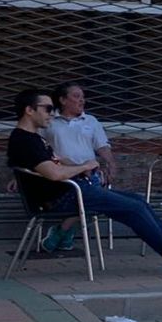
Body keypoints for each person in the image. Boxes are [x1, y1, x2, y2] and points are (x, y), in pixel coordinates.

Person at [7, 89, 162, 274]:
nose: (51, 114)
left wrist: (84, 165)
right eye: (47, 108)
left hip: (72, 190)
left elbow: (54, 161)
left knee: (137, 200)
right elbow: (53, 173)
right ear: (29, 110)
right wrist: (83, 167)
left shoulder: (33, 138)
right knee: (133, 208)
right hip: (61, 197)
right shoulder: (24, 140)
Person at [41, 82, 118, 252]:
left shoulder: (91, 120)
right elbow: (35, 149)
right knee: (93, 198)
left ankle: (62, 230)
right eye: (76, 96)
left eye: (83, 97)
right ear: (62, 100)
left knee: (94, 194)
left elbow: (102, 146)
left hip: (90, 174)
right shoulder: (49, 121)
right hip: (62, 175)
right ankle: (68, 231)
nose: (81, 100)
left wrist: (111, 164)